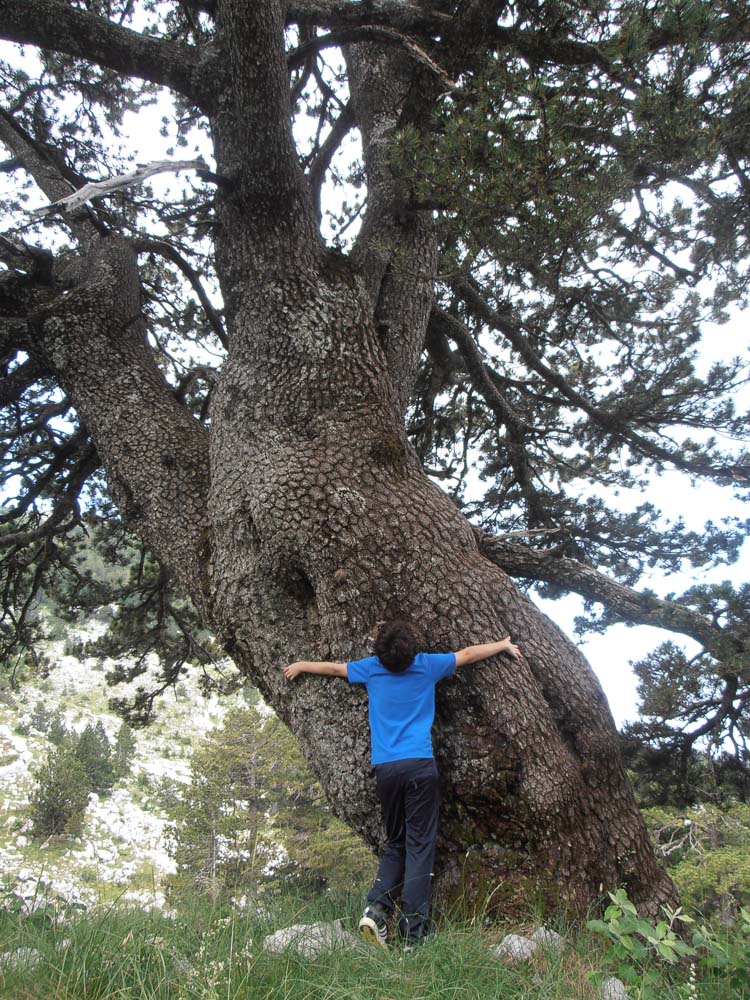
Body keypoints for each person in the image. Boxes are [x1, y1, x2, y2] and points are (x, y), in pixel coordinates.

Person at [283, 620, 521, 948]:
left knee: (395, 842)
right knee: (420, 845)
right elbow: (467, 654)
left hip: (387, 769)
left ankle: (377, 909)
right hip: (420, 767)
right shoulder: (426, 665)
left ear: (380, 650)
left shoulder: (372, 669)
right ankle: (413, 933)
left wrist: (302, 666)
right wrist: (502, 643)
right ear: (413, 649)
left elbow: (335, 670)